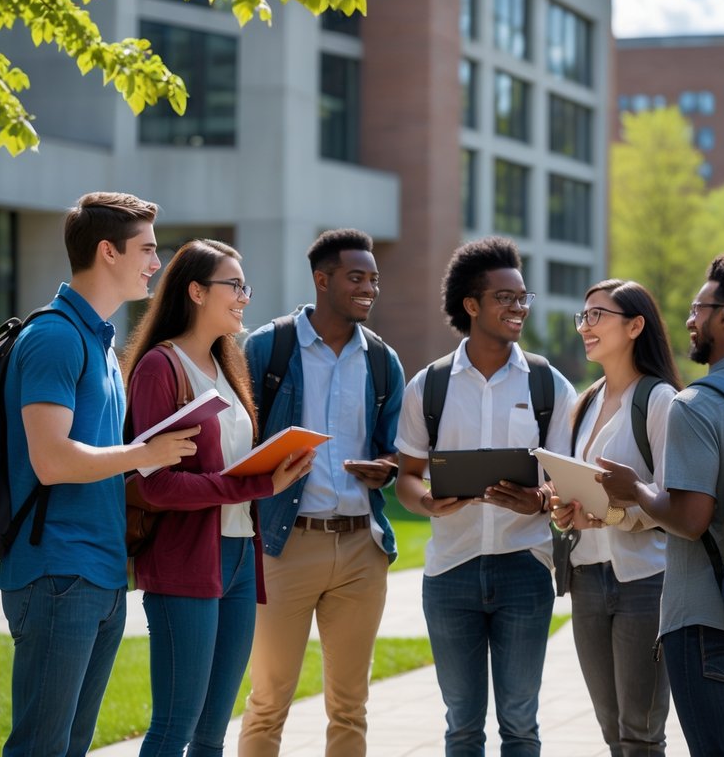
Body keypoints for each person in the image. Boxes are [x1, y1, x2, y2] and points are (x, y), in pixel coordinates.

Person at [0, 192, 200, 756]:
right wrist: (144, 453)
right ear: (108, 251)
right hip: (58, 572)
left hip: (100, 574)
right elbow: (51, 460)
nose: (156, 263)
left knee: (70, 747)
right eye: (147, 250)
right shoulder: (56, 337)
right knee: (40, 748)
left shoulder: (101, 343)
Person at [600, 250, 724, 757]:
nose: (690, 321)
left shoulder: (696, 405)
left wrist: (636, 489)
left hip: (707, 617)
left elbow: (690, 519)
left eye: (698, 309)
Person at [124, 240, 316, 756]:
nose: (244, 297)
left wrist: (272, 465)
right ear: (196, 291)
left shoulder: (227, 364)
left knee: (212, 735)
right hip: (184, 560)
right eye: (234, 285)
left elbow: (227, 463)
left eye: (244, 286)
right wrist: (260, 485)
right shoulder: (159, 367)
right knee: (174, 728)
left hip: (239, 558)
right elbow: (154, 484)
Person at [394, 236, 577, 756]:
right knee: (462, 725)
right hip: (450, 572)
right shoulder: (429, 386)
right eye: (505, 297)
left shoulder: (548, 385)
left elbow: (565, 480)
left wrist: (539, 498)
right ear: (471, 305)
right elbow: (406, 477)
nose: (518, 306)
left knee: (520, 723)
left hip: (525, 569)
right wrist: (427, 502)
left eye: (522, 297)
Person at [239, 229, 406, 757]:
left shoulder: (382, 360)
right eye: (356, 278)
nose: (369, 289)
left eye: (374, 279)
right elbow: (239, 444)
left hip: (361, 549)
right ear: (322, 279)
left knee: (351, 705)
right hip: (283, 546)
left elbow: (396, 449)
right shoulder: (268, 348)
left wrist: (386, 468)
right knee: (268, 700)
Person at [551, 279, 681, 756]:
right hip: (587, 578)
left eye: (597, 316)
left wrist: (610, 515)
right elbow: (578, 487)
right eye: (582, 317)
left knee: (641, 732)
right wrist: (564, 510)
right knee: (611, 729)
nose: (585, 326)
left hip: (644, 581)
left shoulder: (660, 400)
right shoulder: (585, 402)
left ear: (635, 326)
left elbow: (674, 502)